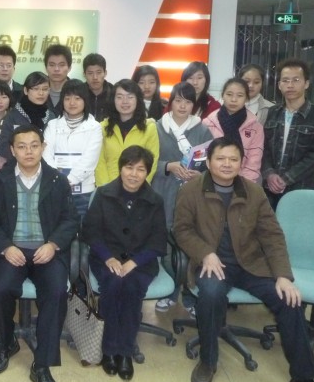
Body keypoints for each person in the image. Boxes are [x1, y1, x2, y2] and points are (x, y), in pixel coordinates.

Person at [173, 137, 314, 382]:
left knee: (289, 299)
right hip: (213, 264)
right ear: (208, 162)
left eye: (233, 159)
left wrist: (283, 276)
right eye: (220, 158)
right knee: (211, 294)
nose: (227, 164)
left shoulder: (254, 192)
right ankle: (208, 361)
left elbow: (272, 236)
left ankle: (303, 379)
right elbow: (182, 230)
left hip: (251, 264)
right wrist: (205, 253)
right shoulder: (191, 190)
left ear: (241, 163)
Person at [0, 124, 78, 382]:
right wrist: (5, 246)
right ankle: (8, 341)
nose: (28, 151)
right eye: (21, 146)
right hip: (13, 250)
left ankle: (42, 365)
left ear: (43, 147)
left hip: (47, 251)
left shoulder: (57, 181)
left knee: (56, 292)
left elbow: (71, 219)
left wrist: (53, 244)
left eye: (34, 145)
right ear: (12, 150)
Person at [81, 146, 167, 382]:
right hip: (105, 258)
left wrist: (134, 262)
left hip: (142, 261)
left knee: (131, 287)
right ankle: (109, 349)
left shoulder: (155, 201)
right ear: (120, 168)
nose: (134, 174)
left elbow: (158, 241)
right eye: (129, 167)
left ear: (147, 173)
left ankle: (125, 351)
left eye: (140, 169)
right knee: (112, 285)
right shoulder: (103, 194)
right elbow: (91, 232)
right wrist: (108, 257)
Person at [151, 82, 213, 313]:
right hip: (163, 191)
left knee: (190, 245)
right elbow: (147, 160)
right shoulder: (157, 127)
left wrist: (201, 174)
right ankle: (170, 291)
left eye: (188, 102)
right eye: (178, 100)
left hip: (192, 195)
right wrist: (168, 166)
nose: (182, 106)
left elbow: (212, 162)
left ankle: (190, 294)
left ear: (194, 105)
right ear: (170, 102)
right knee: (166, 247)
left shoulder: (202, 130)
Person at [262, 58, 314, 210]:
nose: (290, 85)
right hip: (269, 187)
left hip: (301, 186)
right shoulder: (272, 112)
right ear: (279, 85)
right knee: (268, 223)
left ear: (306, 83)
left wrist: (286, 179)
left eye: (296, 80)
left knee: (296, 223)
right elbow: (264, 147)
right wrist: (269, 174)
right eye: (285, 80)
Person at [42, 79, 102, 220]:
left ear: (85, 100)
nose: (72, 103)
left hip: (83, 192)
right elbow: (46, 154)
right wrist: (58, 180)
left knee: (81, 230)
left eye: (77, 98)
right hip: (55, 189)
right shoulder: (52, 125)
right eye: (67, 98)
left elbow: (89, 159)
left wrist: (69, 180)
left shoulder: (94, 127)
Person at [96, 79, 160, 186]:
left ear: (138, 100)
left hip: (138, 187)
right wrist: (106, 189)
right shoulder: (102, 127)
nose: (125, 101)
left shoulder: (149, 128)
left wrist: (138, 187)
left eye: (130, 97)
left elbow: (152, 162)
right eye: (119, 97)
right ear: (113, 100)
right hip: (108, 187)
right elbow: (99, 162)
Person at [204, 78, 264, 183]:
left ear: (246, 98)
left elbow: (254, 161)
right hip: (211, 181)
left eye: (240, 95)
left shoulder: (255, 127)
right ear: (222, 95)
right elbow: (204, 157)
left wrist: (243, 185)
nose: (234, 99)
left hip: (245, 182)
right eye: (229, 94)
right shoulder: (207, 123)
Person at [0, 71, 56, 165]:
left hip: (45, 166)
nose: (41, 93)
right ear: (26, 90)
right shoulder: (13, 115)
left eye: (45, 89)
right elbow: (5, 147)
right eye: (36, 89)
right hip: (17, 166)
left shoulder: (51, 116)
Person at [83, 53, 114, 122]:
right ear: (84, 74)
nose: (95, 77)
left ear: (105, 73)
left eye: (99, 72)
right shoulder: (79, 93)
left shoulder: (114, 92)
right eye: (90, 73)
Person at [44, 44, 72, 116]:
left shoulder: (78, 91)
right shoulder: (36, 91)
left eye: (61, 65)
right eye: (52, 65)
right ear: (46, 67)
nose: (56, 69)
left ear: (69, 68)